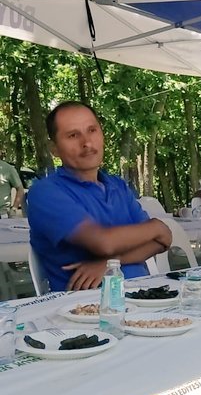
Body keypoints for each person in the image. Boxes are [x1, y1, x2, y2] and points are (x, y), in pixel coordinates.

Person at [27, 101, 173, 291]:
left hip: (143, 297)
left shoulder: (117, 185)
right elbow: (104, 244)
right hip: (83, 308)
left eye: (92, 130)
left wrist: (110, 264)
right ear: (53, 148)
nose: (87, 143)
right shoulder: (46, 192)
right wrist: (158, 225)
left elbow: (161, 241)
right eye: (73, 135)